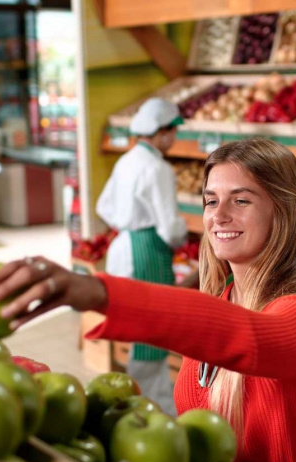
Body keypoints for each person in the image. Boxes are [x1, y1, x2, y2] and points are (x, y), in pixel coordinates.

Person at [0, 138, 296, 462]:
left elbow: (247, 338)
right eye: (211, 200)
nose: (219, 215)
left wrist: (98, 292)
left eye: (241, 200)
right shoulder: (222, 298)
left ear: (283, 211)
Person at [93, 97, 188, 415]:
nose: (174, 139)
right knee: (152, 333)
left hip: (124, 247)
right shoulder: (157, 168)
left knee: (140, 331)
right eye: (172, 132)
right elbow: (169, 226)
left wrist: (126, 224)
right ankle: (151, 407)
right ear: (161, 133)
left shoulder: (127, 160)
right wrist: (183, 237)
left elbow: (103, 206)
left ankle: (140, 398)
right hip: (147, 251)